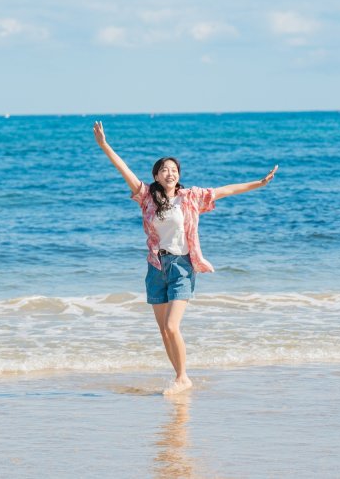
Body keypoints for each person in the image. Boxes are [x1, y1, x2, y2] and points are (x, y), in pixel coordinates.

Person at [93, 120, 278, 395]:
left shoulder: (191, 197)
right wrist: (105, 145)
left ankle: (183, 377)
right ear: (156, 176)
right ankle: (179, 376)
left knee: (171, 325)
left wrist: (259, 183)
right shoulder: (147, 198)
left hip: (182, 266)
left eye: (174, 170)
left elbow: (226, 190)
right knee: (164, 332)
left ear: (179, 175)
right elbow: (124, 170)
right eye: (164, 170)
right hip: (156, 267)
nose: (170, 173)